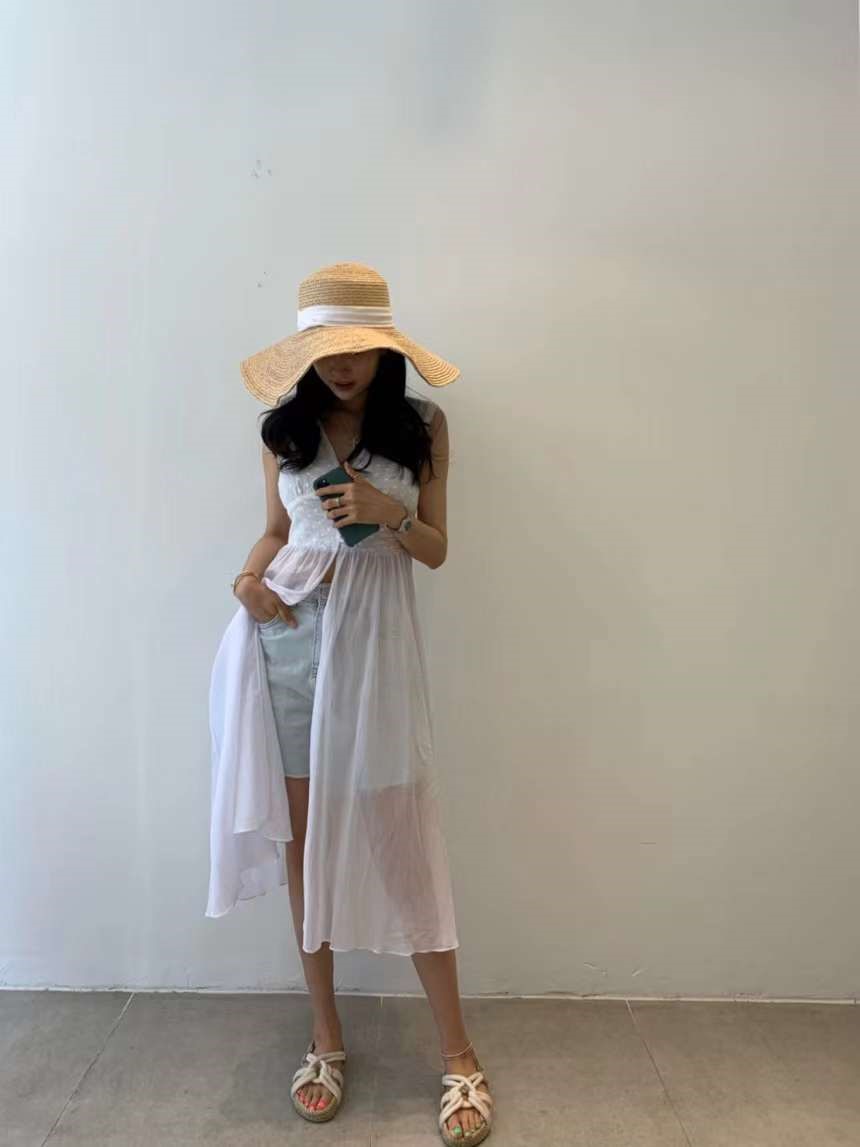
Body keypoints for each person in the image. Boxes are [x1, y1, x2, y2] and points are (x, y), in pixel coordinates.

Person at [207, 263, 494, 1144]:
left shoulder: (424, 427)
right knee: (304, 851)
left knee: (402, 838)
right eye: (326, 350)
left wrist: (386, 513)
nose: (341, 365)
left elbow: (436, 549)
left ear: (384, 348)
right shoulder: (284, 430)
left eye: (358, 348)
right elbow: (277, 531)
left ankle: (459, 1054)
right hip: (287, 646)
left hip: (377, 652)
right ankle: (325, 1039)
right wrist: (248, 579)